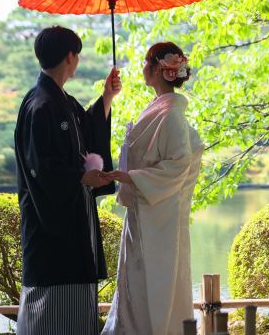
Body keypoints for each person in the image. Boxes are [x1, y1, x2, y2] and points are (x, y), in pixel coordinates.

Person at [14, 25, 122, 335]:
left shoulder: (60, 100)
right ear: (70, 57)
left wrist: (107, 97)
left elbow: (86, 128)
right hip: (51, 224)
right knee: (49, 306)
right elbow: (40, 166)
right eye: (78, 54)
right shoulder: (40, 104)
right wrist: (80, 176)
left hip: (74, 217)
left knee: (75, 309)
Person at [101, 42, 204, 335]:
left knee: (154, 286)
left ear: (159, 68)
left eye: (146, 62)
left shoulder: (171, 115)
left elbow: (178, 165)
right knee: (135, 284)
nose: (143, 68)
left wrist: (131, 176)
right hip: (145, 211)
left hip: (160, 220)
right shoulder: (161, 110)